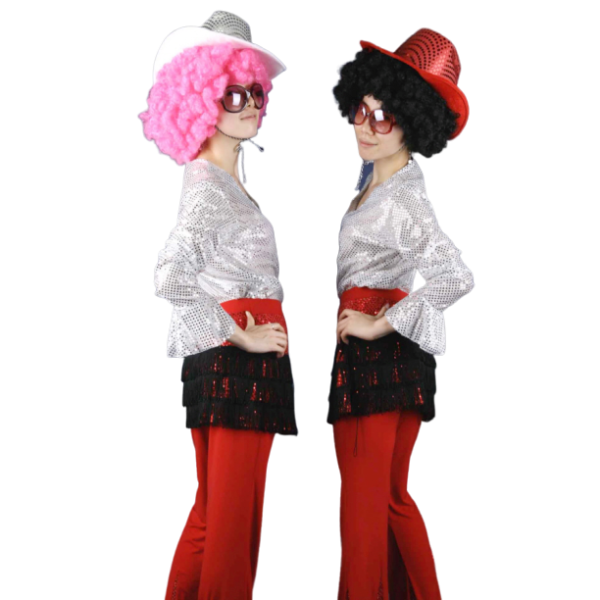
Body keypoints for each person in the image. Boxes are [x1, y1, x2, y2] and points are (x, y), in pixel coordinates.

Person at [137, 10, 299, 599]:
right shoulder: (206, 185)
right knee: (233, 527)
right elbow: (168, 277)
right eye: (234, 93)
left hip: (236, 364)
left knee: (212, 520)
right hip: (235, 362)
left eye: (256, 92)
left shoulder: (228, 184)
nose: (250, 103)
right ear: (200, 99)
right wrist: (242, 333)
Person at [327, 28, 476, 599]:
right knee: (390, 499)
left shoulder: (404, 197)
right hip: (386, 356)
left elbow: (455, 277)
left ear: (413, 122)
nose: (365, 127)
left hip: (378, 354)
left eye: (383, 117)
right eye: (361, 112)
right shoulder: (380, 183)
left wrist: (379, 321)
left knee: (366, 507)